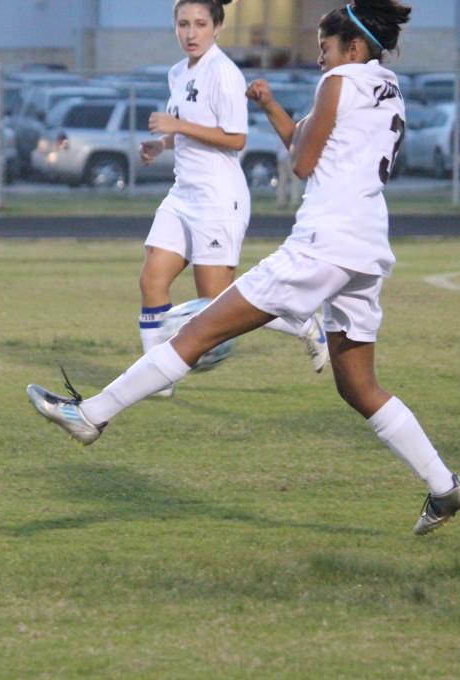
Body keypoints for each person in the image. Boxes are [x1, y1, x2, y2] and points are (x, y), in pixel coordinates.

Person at [27, 0, 460, 536]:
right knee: (357, 385)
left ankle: (92, 415)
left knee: (198, 329)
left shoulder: (339, 82)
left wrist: (300, 112)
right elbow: (303, 144)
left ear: (351, 47)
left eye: (324, 48)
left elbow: (304, 162)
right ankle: (443, 486)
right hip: (366, 243)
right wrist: (268, 104)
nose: (318, 59)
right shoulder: (386, 85)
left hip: (323, 241)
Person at [138, 0, 327, 399]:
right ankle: (156, 378)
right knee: (152, 278)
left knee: (218, 303)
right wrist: (162, 143)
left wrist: (177, 125)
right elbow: (189, 130)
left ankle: (302, 322)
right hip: (182, 193)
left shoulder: (224, 73)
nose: (191, 32)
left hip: (217, 199)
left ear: (218, 27)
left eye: (200, 24)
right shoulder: (178, 72)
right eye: (183, 24)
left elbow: (235, 138)